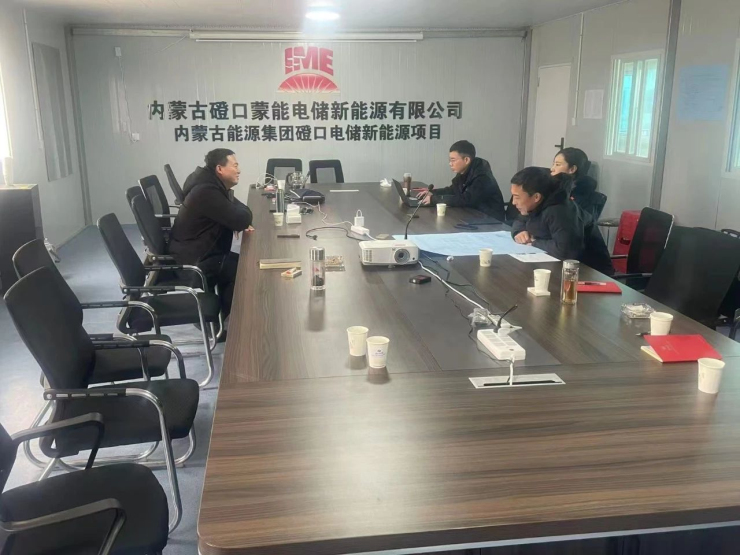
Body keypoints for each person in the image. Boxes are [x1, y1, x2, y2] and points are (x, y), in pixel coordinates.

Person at [169, 149, 253, 323]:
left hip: (196, 250)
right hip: (196, 260)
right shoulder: (206, 192)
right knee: (245, 271)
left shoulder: (208, 183)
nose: (239, 170)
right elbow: (242, 218)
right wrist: (235, 218)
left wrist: (234, 216)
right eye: (235, 166)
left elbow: (238, 212)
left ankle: (222, 319)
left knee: (242, 264)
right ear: (219, 169)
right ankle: (221, 324)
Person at [510, 167, 613, 275]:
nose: (513, 202)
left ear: (536, 197)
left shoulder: (559, 210)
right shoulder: (536, 204)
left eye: (517, 197)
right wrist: (519, 231)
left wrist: (534, 241)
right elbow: (520, 219)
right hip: (559, 266)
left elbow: (566, 251)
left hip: (590, 272)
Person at [417, 140, 505, 221]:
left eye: (453, 160)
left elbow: (467, 199)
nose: (450, 164)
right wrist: (432, 193)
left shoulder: (482, 177)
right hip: (473, 216)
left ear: (466, 160)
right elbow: (453, 190)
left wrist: (434, 200)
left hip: (491, 221)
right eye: (450, 160)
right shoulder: (465, 171)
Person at [550, 147, 603, 221]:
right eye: (553, 164)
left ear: (572, 169)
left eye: (557, 164)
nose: (552, 169)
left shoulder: (584, 197)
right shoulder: (552, 188)